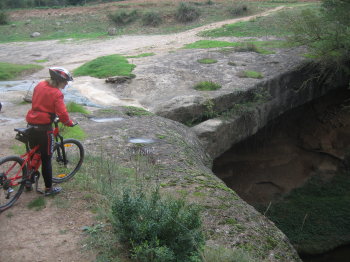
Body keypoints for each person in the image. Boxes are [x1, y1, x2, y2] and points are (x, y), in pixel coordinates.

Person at [26, 67, 75, 196]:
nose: (66, 84)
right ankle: (49, 189)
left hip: (31, 123)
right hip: (44, 128)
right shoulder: (57, 93)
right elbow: (62, 113)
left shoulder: (40, 84)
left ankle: (28, 181)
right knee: (46, 159)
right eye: (65, 82)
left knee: (33, 153)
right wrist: (68, 122)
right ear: (59, 81)